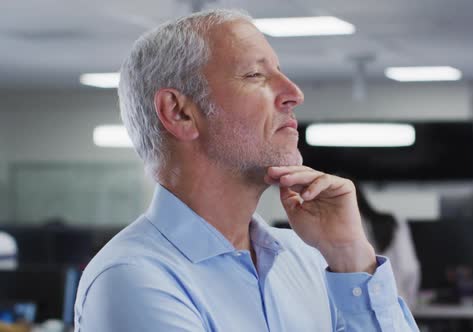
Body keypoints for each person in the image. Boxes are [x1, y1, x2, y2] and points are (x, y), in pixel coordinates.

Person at [74, 9, 418, 332]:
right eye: (255, 75)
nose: (293, 93)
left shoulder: (307, 259)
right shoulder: (133, 278)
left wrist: (350, 257)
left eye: (281, 72)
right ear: (179, 113)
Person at [354, 182, 421, 309]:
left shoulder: (326, 229)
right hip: (393, 303)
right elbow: (409, 268)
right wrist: (408, 305)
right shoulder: (391, 222)